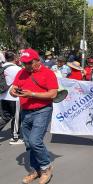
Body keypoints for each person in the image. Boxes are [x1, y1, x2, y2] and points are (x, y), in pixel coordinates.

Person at [10, 48, 58, 184]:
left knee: (35, 141)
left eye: (29, 63)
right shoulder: (21, 72)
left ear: (37, 60)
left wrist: (31, 94)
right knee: (28, 144)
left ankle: (46, 168)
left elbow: (53, 94)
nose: (27, 66)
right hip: (25, 111)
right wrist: (13, 91)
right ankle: (36, 170)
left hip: (42, 110)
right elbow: (14, 87)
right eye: (24, 63)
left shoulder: (48, 73)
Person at [0, 51, 23, 145]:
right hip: (14, 97)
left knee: (5, 117)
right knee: (16, 117)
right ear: (15, 58)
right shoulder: (17, 69)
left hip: (2, 96)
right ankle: (15, 138)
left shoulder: (1, 67)